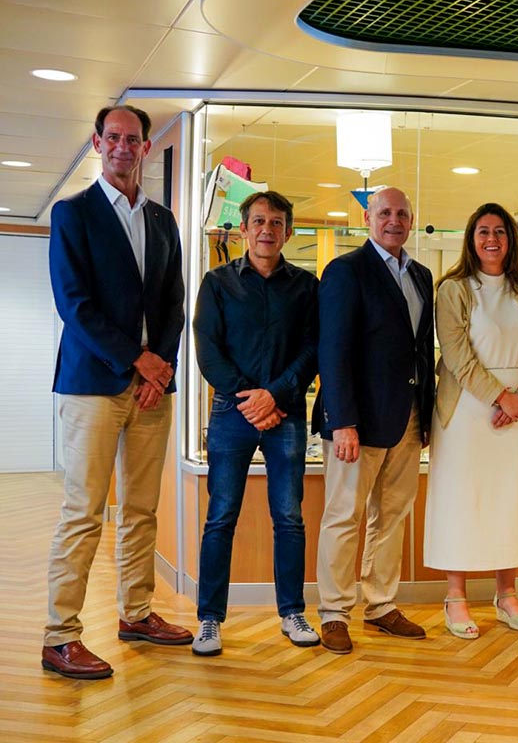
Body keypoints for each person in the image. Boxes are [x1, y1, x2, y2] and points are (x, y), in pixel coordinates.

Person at [42, 105, 190, 679]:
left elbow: (175, 303)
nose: (124, 146)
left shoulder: (162, 220)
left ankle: (136, 613)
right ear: (98, 143)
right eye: (115, 138)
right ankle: (60, 636)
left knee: (141, 510)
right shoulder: (72, 214)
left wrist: (162, 367)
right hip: (93, 384)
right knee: (83, 511)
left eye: (134, 139)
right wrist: (138, 359)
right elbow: (73, 305)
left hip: (153, 388)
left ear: (147, 148)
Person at [191, 191, 320, 656]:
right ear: (243, 229)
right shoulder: (217, 282)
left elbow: (313, 348)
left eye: (277, 222)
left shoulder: (307, 286)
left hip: (285, 414)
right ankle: (209, 619)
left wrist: (277, 395)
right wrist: (250, 398)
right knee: (221, 516)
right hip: (232, 413)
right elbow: (208, 348)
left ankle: (292, 612)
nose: (268, 229)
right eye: (259, 221)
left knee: (288, 517)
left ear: (289, 231)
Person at [312, 187, 435, 654]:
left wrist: (426, 416)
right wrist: (341, 419)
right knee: (344, 516)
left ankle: (381, 605)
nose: (394, 220)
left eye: (403, 213)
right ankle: (334, 612)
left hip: (408, 418)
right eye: (385, 212)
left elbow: (420, 350)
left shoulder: (421, 275)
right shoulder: (346, 271)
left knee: (393, 516)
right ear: (368, 217)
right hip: (356, 423)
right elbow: (333, 349)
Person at [423, 202, 518, 638]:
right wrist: (501, 396)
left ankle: (507, 594)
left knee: (510, 500)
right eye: (483, 231)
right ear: (471, 238)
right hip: (466, 412)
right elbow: (457, 354)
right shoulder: (453, 288)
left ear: (511, 239)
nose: (492, 239)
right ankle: (456, 597)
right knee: (464, 500)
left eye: (500, 231)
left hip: (516, 413)